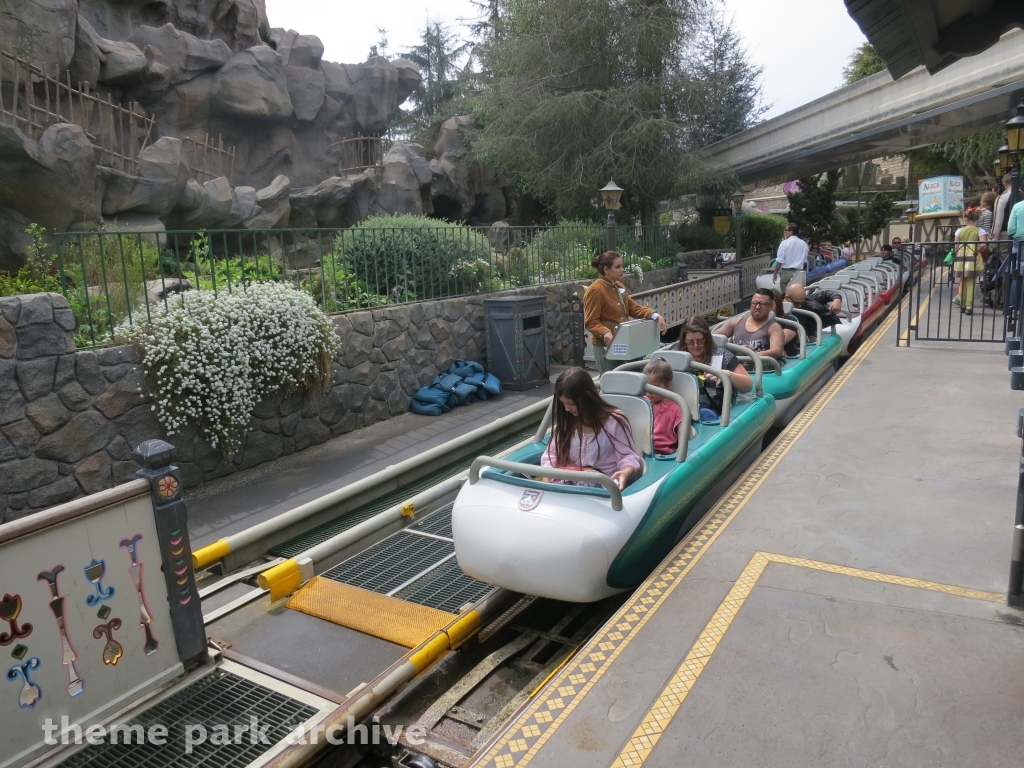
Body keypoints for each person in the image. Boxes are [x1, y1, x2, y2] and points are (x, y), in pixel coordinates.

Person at [541, 367, 641, 490]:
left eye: (571, 404)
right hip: (571, 482)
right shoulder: (568, 420)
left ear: (586, 398)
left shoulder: (613, 421)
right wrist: (546, 486)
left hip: (604, 482)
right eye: (563, 403)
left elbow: (627, 455)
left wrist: (625, 472)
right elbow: (552, 455)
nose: (567, 409)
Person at [584, 251, 668, 374]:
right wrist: (605, 332)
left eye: (622, 266)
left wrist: (655, 315)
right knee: (612, 382)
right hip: (605, 346)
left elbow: (633, 308)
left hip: (622, 341)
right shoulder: (595, 290)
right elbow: (591, 321)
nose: (622, 269)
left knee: (626, 378)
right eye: (618, 267)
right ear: (606, 270)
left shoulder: (617, 285)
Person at [679, 315, 752, 421]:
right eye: (690, 342)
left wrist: (727, 374)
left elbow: (748, 385)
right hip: (683, 410)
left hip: (714, 412)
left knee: (705, 414)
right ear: (684, 341)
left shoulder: (722, 355)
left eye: (700, 341)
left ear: (707, 338)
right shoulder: (677, 355)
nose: (695, 345)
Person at [716, 288, 785, 360]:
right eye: (754, 303)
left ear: (770, 307)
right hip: (734, 367)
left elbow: (777, 351)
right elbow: (712, 339)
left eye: (763, 304)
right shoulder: (735, 322)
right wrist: (736, 349)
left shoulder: (774, 328)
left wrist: (752, 355)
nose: (757, 307)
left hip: (759, 367)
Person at [642, 358, 682, 455]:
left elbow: (683, 442)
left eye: (655, 387)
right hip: (642, 450)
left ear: (667, 386)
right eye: (647, 386)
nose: (650, 391)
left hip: (664, 454)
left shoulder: (676, 408)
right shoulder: (642, 403)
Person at [953, 208, 988, 316]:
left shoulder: (959, 231)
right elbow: (984, 244)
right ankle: (969, 306)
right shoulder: (980, 230)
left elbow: (956, 246)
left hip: (962, 258)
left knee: (963, 281)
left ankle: (962, 304)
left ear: (966, 218)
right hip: (973, 258)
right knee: (971, 282)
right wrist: (976, 248)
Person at [771, 224, 809, 291]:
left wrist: (775, 273)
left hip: (787, 272)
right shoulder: (804, 244)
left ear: (791, 231)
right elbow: (805, 260)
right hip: (799, 272)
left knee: (785, 293)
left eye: (785, 230)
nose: (784, 232)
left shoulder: (784, 243)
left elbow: (780, 261)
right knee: (798, 292)